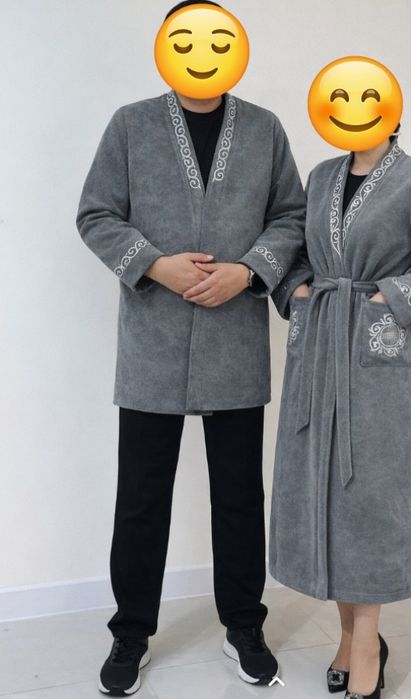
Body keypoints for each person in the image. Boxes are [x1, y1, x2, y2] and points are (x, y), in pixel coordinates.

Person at [75, 1, 306, 694]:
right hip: (153, 342)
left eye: (216, 40)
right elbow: (96, 213)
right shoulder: (131, 125)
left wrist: (249, 271)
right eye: (186, 40)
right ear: (165, 48)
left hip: (235, 340)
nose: (201, 52)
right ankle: (130, 633)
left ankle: (244, 626)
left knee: (238, 496)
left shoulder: (264, 130)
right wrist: (154, 264)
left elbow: (291, 215)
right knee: (141, 498)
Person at [269, 121, 411, 699]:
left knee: (370, 498)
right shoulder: (320, 177)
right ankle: (350, 637)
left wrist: (389, 299)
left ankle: (366, 646)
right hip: (318, 350)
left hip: (376, 357)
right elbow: (296, 253)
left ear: (390, 111)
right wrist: (298, 292)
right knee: (327, 496)